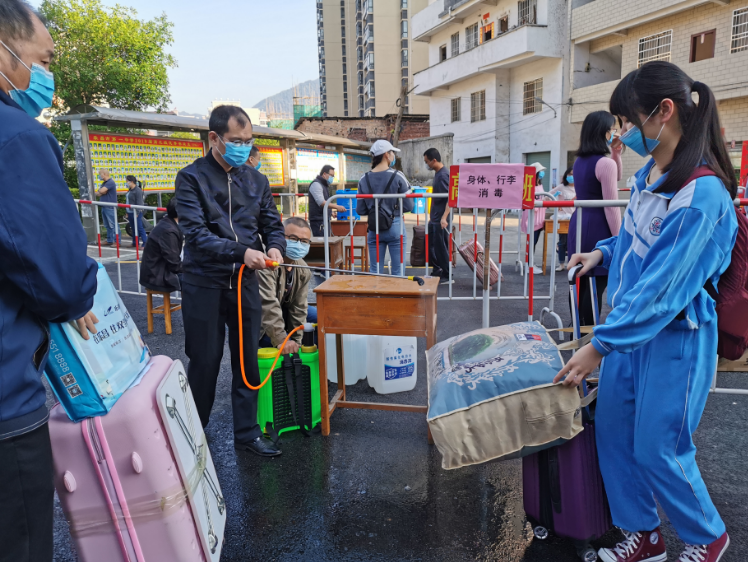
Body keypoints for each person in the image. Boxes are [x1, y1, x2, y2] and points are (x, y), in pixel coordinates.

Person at [556, 61, 737, 562]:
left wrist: (598, 346)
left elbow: (664, 286)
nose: (623, 134)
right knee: (614, 435)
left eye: (628, 122)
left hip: (674, 337)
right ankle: (644, 535)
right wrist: (604, 253)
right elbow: (638, 239)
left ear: (665, 112)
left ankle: (707, 538)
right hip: (627, 332)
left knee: (661, 447)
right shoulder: (651, 173)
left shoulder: (700, 194)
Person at [0, 2, 99, 559]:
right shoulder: (15, 137)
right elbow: (58, 275)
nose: (44, 76)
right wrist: (77, 295)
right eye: (41, 59)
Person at [175, 104, 286, 458]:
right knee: (204, 360)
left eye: (248, 140)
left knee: (247, 359)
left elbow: (272, 224)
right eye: (236, 140)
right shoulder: (191, 178)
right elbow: (195, 234)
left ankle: (247, 432)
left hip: (245, 282)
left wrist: (275, 247)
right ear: (214, 138)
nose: (243, 146)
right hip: (203, 281)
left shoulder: (256, 179)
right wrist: (242, 253)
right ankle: (193, 433)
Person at [567, 110, 623, 325]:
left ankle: (577, 328)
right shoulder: (604, 163)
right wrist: (619, 239)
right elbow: (611, 206)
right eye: (612, 129)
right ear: (604, 131)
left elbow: (614, 175)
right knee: (595, 285)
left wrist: (615, 153)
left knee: (579, 279)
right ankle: (588, 337)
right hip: (599, 224)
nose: (615, 133)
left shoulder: (580, 160)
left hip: (579, 221)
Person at [258, 217, 317, 353]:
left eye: (304, 241)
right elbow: (267, 305)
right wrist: (281, 340)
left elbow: (299, 307)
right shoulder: (266, 263)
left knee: (320, 321)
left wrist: (297, 341)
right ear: (280, 237)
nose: (298, 245)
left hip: (284, 310)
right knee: (274, 340)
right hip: (260, 318)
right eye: (293, 238)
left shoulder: (302, 268)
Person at [357, 140, 414, 277]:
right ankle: (397, 296)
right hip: (395, 226)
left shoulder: (363, 179)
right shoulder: (398, 176)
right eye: (392, 152)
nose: (393, 155)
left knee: (375, 271)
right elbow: (409, 205)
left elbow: (360, 210)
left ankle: (377, 297)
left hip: (374, 228)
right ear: (386, 155)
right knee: (398, 270)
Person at [139, 198, 183, 293]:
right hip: (158, 276)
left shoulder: (168, 223)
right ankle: (191, 307)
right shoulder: (168, 231)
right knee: (199, 280)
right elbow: (175, 264)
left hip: (157, 271)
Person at [423, 147, 452, 284]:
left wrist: (444, 217)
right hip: (435, 218)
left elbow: (450, 199)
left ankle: (447, 274)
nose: (426, 165)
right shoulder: (439, 174)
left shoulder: (443, 175)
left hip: (441, 218)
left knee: (441, 247)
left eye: (427, 162)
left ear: (434, 160)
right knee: (432, 245)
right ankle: (437, 270)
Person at [520, 162, 547, 275]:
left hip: (540, 218)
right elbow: (529, 202)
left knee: (534, 242)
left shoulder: (539, 185)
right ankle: (529, 265)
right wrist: (543, 201)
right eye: (540, 171)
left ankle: (531, 263)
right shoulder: (528, 186)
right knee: (531, 242)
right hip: (532, 218)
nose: (542, 173)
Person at [308, 164, 346, 237]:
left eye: (333, 176)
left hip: (324, 219)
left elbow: (325, 203)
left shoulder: (324, 185)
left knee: (327, 243)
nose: (332, 178)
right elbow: (322, 202)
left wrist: (330, 212)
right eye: (331, 175)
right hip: (318, 220)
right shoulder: (316, 184)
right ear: (324, 174)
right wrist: (337, 206)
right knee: (322, 244)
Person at [550, 167, 576, 271]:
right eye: (569, 174)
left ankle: (572, 263)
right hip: (563, 217)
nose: (571, 177)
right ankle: (561, 264)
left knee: (574, 241)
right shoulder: (561, 187)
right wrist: (556, 204)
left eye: (573, 175)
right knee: (562, 241)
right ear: (566, 176)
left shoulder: (579, 187)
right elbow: (549, 195)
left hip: (576, 217)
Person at [97, 168, 118, 246]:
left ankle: (117, 241)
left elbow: (101, 191)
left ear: (104, 174)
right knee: (107, 225)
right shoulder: (104, 183)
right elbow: (99, 193)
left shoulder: (110, 182)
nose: (99, 176)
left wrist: (101, 191)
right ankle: (110, 240)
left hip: (110, 206)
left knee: (114, 224)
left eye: (100, 174)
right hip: (104, 206)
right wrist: (101, 191)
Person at [125, 175, 148, 247]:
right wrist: (127, 211)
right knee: (133, 228)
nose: (126, 183)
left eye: (127, 181)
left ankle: (145, 243)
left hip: (136, 212)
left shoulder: (137, 190)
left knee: (139, 227)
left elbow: (140, 203)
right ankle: (135, 242)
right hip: (130, 211)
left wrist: (137, 212)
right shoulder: (130, 190)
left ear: (131, 182)